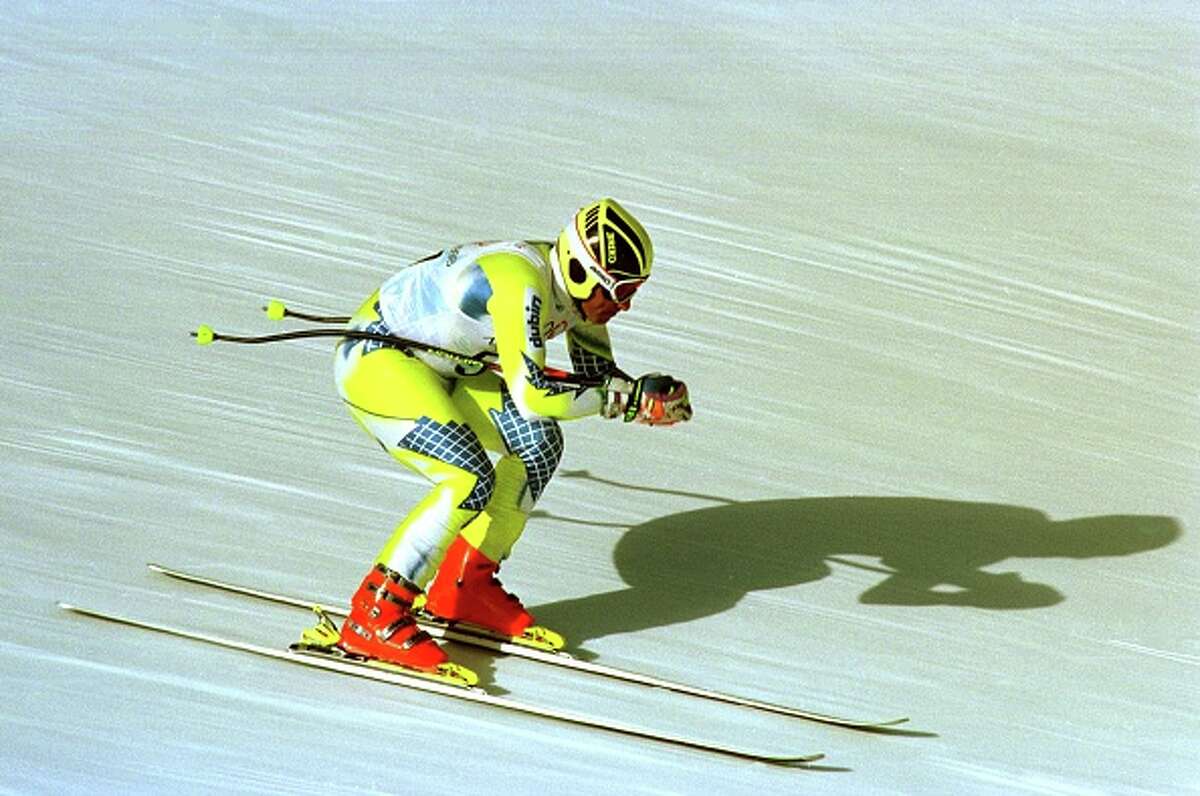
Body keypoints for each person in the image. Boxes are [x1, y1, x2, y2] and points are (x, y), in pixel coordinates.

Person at [332, 198, 693, 671]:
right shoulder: (522, 285)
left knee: (538, 445)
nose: (625, 305)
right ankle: (374, 611)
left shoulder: (575, 290)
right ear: (584, 274)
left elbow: (595, 376)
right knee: (467, 478)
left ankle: (465, 585)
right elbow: (535, 396)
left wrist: (641, 394)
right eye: (619, 291)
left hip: (444, 366)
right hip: (377, 362)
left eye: (633, 291)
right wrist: (622, 402)